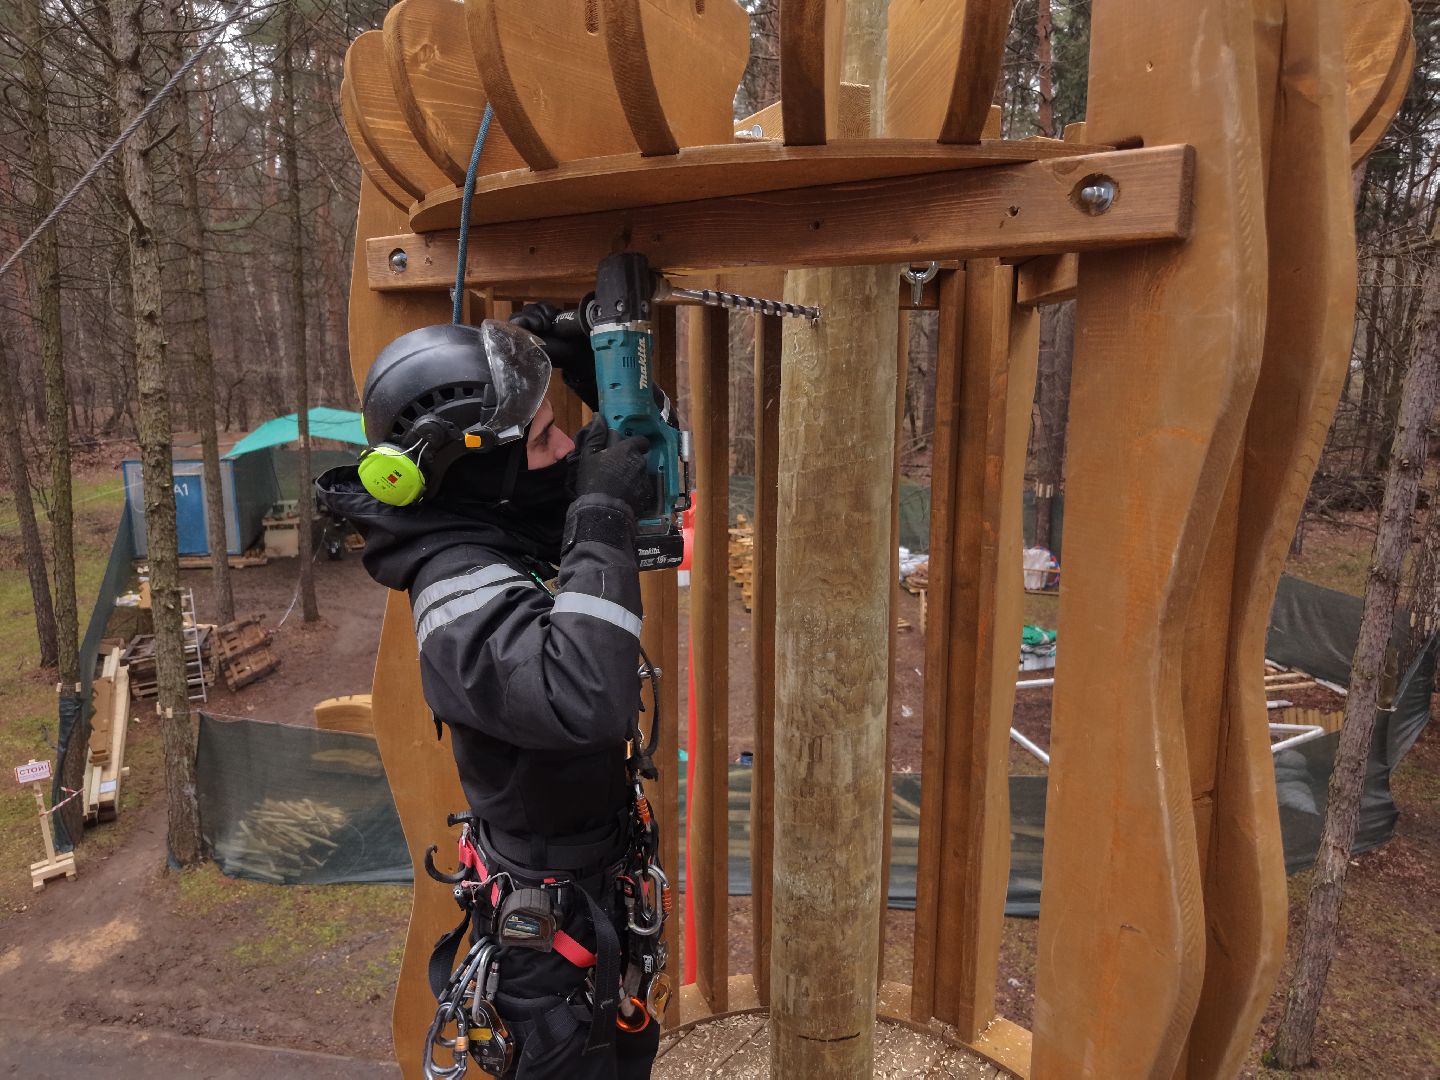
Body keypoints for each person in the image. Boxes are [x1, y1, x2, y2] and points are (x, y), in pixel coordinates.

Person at [316, 311, 669, 1080]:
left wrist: (602, 390)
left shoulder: (489, 514)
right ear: (480, 470)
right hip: (547, 946)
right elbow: (585, 695)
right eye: (545, 437)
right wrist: (602, 517)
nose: (566, 448)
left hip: (587, 885)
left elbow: (620, 489)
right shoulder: (454, 586)